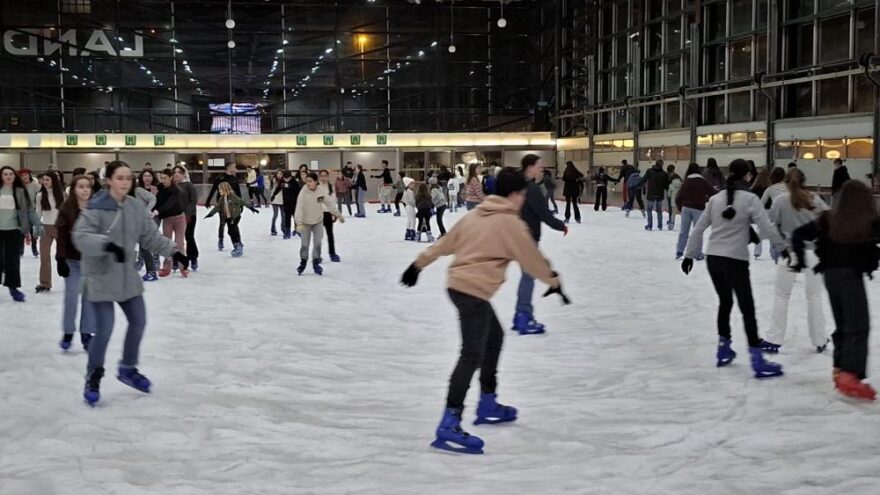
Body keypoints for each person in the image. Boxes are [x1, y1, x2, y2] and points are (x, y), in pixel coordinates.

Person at [399, 166, 565, 454]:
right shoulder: (511, 224)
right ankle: (449, 423)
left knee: (495, 338)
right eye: (522, 195)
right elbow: (532, 259)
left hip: (459, 286)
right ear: (515, 195)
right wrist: (554, 281)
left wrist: (417, 265)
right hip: (472, 292)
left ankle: (488, 401)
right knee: (471, 354)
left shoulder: (476, 215)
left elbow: (444, 244)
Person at [72, 161, 189, 406]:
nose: (125, 182)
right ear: (109, 181)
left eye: (128, 178)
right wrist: (105, 245)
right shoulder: (96, 206)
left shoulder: (135, 207)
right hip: (101, 276)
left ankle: (127, 368)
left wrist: (174, 251)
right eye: (120, 178)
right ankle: (93, 376)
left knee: (139, 320)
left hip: (126, 276)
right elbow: (80, 236)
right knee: (104, 330)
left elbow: (149, 236)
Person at [681, 159, 785, 379]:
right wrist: (782, 247)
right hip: (735, 260)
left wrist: (688, 255)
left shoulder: (716, 199)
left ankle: (723, 347)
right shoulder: (750, 199)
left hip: (714, 259)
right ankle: (757, 360)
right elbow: (767, 227)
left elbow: (699, 229)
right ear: (747, 176)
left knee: (725, 303)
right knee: (747, 308)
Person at [791, 180, 879, 400]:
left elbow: (798, 234)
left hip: (830, 276)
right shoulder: (870, 221)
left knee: (843, 322)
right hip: (851, 276)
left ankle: (839, 368)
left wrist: (801, 260)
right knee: (858, 325)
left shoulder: (829, 218)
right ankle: (850, 374)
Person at [761, 168, 829, 355]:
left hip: (790, 253)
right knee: (814, 297)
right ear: (804, 181)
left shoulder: (780, 200)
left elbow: (769, 224)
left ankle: (774, 339)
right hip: (813, 254)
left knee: (782, 296)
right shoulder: (815, 199)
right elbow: (829, 221)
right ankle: (820, 339)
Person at [513, 154, 567, 335]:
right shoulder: (531, 189)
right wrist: (560, 226)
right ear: (529, 167)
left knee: (527, 275)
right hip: (527, 238)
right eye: (539, 166)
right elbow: (544, 214)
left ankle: (520, 314)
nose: (541, 169)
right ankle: (523, 316)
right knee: (528, 276)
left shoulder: (515, 186)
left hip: (516, 236)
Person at [55, 175, 95, 351]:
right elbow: (62, 238)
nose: (85, 190)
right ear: (74, 189)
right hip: (72, 262)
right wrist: (60, 259)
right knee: (71, 298)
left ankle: (87, 333)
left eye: (87, 187)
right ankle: (68, 332)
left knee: (89, 300)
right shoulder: (66, 209)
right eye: (81, 187)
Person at [294, 172, 344, 275]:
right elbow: (299, 208)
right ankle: (303, 262)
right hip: (305, 222)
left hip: (318, 221)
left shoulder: (320, 191)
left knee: (317, 243)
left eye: (310, 181)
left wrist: (338, 214)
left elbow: (329, 203)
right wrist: (298, 223)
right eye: (307, 181)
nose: (308, 183)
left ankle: (316, 262)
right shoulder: (303, 192)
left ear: (316, 182)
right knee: (304, 244)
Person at [0, 166, 38, 302]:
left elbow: (29, 210)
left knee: (12, 261)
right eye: (5, 174)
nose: (8, 176)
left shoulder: (20, 191)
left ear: (15, 176)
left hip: (14, 231)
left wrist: (37, 224)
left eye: (11, 174)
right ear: (1, 176)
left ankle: (13, 288)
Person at [205, 182, 258, 257]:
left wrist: (251, 208)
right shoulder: (222, 199)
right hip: (228, 217)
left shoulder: (233, 197)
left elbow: (242, 202)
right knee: (232, 231)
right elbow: (217, 207)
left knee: (231, 230)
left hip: (235, 217)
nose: (219, 191)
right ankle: (238, 244)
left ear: (225, 189)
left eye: (220, 189)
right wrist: (210, 214)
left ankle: (237, 247)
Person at [675, 163, 716, 260]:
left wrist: (681, 208)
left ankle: (679, 251)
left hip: (686, 208)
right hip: (699, 209)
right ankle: (697, 253)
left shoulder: (686, 181)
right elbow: (713, 193)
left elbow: (678, 197)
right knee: (697, 231)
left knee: (683, 231)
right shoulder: (703, 181)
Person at [153, 169, 188, 278]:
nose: (163, 180)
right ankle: (167, 267)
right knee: (167, 243)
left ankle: (184, 267)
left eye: (165, 178)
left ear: (170, 178)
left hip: (179, 219)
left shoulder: (176, 189)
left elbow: (170, 204)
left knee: (179, 243)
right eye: (161, 178)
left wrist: (158, 211)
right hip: (167, 219)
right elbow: (157, 202)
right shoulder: (159, 188)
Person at [35, 172, 66, 293]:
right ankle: (44, 283)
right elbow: (38, 213)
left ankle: (73, 280)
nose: (45, 182)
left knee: (65, 256)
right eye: (44, 180)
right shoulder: (40, 195)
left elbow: (66, 212)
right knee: (44, 256)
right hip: (45, 228)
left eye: (47, 179)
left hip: (60, 227)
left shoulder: (62, 194)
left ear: (53, 180)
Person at [205, 162, 241, 251]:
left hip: (233, 204)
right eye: (234, 167)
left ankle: (238, 241)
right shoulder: (220, 178)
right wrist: (208, 201)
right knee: (222, 223)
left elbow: (238, 192)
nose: (235, 169)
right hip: (222, 204)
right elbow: (213, 190)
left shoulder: (234, 179)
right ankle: (221, 240)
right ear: (228, 168)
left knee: (233, 224)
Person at [128, 174, 158, 280]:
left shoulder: (138, 191)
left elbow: (152, 198)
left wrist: (146, 210)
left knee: (144, 248)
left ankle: (152, 272)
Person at [173, 166, 200, 271]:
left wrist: (187, 214)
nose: (176, 174)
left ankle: (193, 257)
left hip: (189, 216)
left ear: (184, 174)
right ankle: (176, 259)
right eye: (174, 172)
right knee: (177, 239)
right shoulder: (171, 186)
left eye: (179, 172)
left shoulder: (189, 185)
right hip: (175, 216)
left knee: (189, 237)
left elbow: (193, 201)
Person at [750, 167, 773, 260]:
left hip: (759, 211)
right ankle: (773, 251)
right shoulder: (771, 187)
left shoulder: (754, 187)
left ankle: (757, 251)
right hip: (770, 210)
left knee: (760, 231)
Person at [319, 170, 342, 262]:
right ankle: (317, 255)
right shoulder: (316, 187)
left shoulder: (331, 188)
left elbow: (333, 201)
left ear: (328, 177)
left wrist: (334, 213)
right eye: (322, 176)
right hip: (318, 214)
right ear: (319, 177)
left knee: (330, 235)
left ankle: (332, 253)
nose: (323, 178)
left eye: (325, 176)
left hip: (328, 213)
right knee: (318, 236)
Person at [640, 160, 669, 231]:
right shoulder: (664, 174)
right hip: (660, 194)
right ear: (662, 165)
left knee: (649, 209)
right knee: (659, 210)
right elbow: (666, 185)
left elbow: (643, 180)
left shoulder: (649, 171)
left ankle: (650, 225)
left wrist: (638, 185)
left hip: (651, 194)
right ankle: (660, 226)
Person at [18, 169, 40, 257]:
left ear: (29, 175)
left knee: (32, 230)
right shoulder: (18, 186)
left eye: (26, 174)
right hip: (21, 211)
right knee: (21, 231)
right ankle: (21, 249)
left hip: (32, 210)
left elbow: (40, 196)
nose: (24, 177)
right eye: (22, 175)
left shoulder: (34, 185)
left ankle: (34, 248)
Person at [280, 171, 300, 239]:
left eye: (287, 178)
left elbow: (298, 191)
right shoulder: (282, 180)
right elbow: (278, 188)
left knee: (296, 217)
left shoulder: (294, 181)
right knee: (287, 218)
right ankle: (287, 232)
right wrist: (273, 195)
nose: (286, 180)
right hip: (286, 203)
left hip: (294, 203)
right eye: (285, 178)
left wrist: (289, 186)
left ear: (290, 177)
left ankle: (298, 230)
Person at [665, 165, 682, 230]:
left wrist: (668, 193)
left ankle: (671, 221)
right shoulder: (677, 176)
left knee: (672, 209)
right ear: (673, 170)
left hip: (671, 195)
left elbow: (666, 185)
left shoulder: (667, 176)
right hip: (679, 196)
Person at [269, 170, 285, 236]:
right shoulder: (274, 180)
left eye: (281, 173)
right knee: (275, 215)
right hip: (275, 200)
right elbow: (270, 187)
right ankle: (273, 229)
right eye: (278, 173)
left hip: (282, 200)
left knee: (283, 216)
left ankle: (283, 228)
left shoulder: (284, 181)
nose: (279, 175)